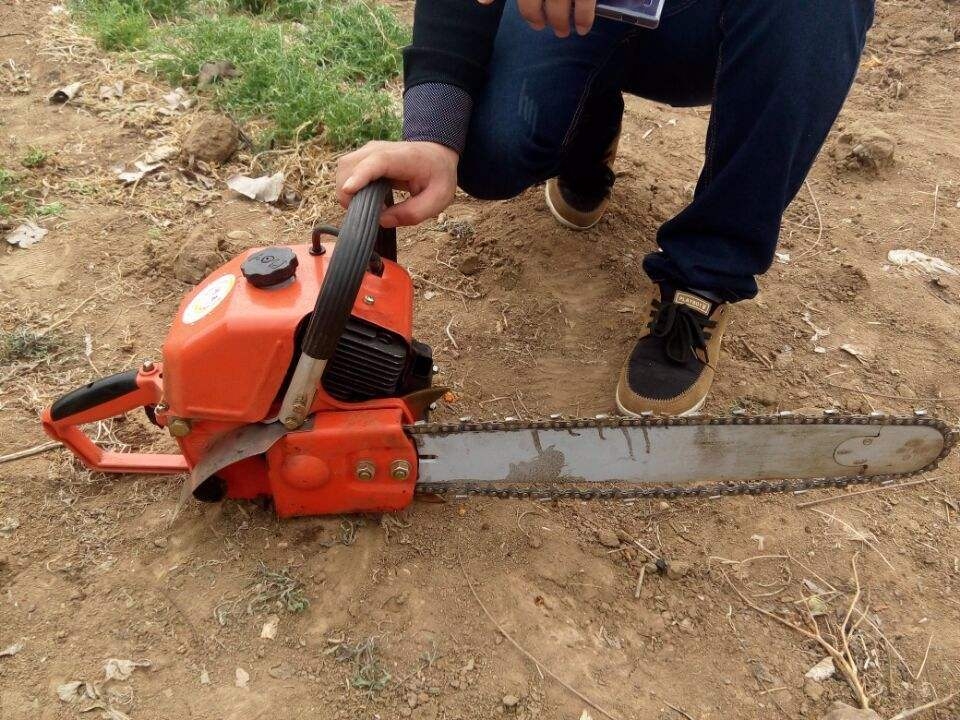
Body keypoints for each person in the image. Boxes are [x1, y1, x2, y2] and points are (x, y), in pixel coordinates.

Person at [335, 0, 875, 416]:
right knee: (492, 151)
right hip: (577, 15)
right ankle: (586, 132)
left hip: (718, 23)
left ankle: (706, 275)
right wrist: (434, 132)